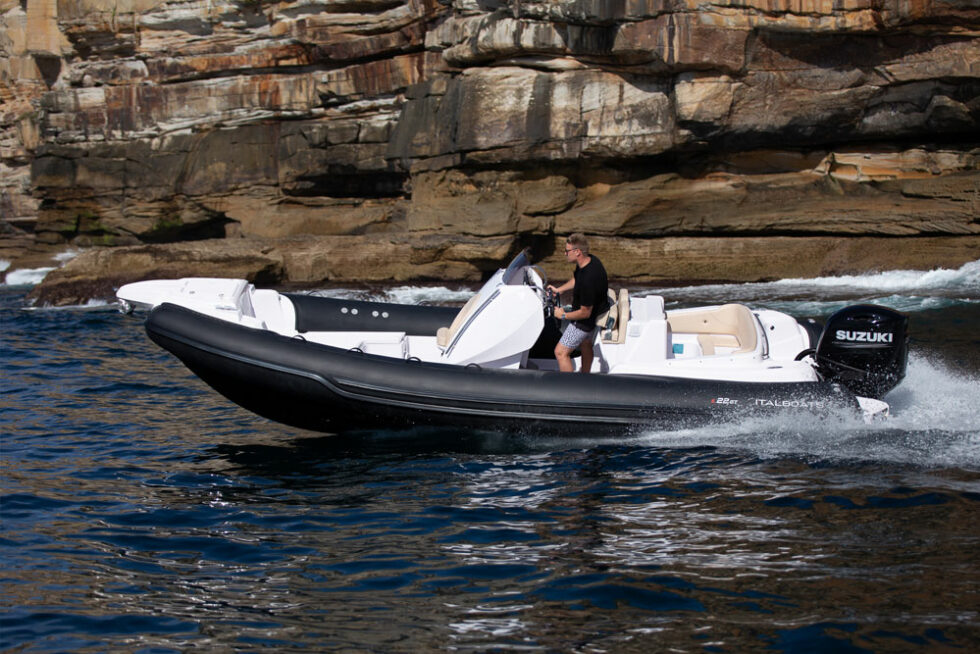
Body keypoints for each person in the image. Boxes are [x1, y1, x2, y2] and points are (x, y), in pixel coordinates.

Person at [547, 233, 608, 373]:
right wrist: (559, 290)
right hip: (594, 315)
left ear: (577, 252)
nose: (565, 253)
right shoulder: (590, 261)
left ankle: (568, 388)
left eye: (567, 251)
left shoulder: (588, 279)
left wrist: (563, 315)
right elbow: (576, 279)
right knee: (586, 344)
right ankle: (585, 376)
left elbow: (584, 313)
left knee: (561, 352)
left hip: (583, 323)